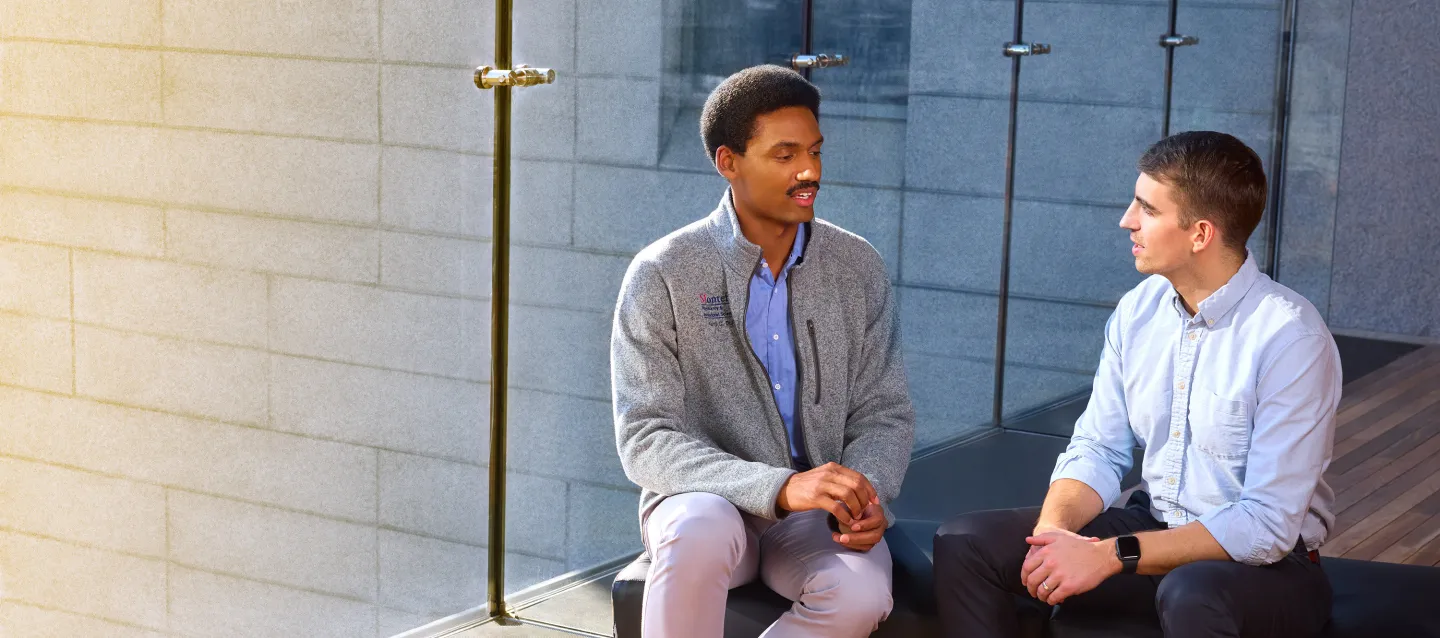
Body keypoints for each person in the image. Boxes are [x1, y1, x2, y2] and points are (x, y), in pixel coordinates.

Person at [933, 131, 1340, 638]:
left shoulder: (1291, 337)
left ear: (1200, 234)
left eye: (1147, 209)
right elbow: (1099, 448)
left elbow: (1266, 525)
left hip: (1267, 568)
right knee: (965, 542)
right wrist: (1053, 533)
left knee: (1190, 593)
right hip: (1152, 529)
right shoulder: (1139, 309)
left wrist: (1110, 555)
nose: (1127, 220)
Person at [610, 64, 915, 638]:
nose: (809, 171)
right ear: (729, 163)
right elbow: (645, 436)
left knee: (860, 594)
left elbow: (884, 410)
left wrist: (863, 490)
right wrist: (774, 487)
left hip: (814, 518)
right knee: (698, 528)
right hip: (705, 501)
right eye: (784, 155)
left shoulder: (856, 266)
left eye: (815, 151)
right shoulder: (664, 272)